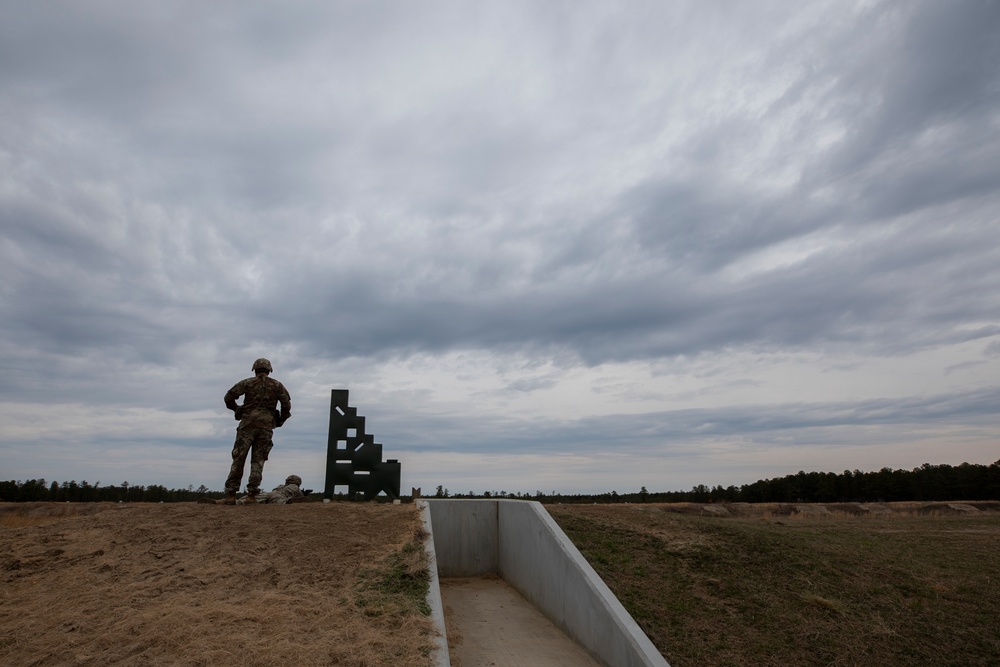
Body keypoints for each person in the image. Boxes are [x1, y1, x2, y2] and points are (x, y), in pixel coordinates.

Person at [222, 358, 291, 504]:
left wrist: (237, 409)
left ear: (254, 369)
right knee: (258, 460)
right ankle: (252, 495)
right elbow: (286, 406)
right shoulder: (277, 385)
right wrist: (279, 421)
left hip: (247, 424)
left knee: (239, 458)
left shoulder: (247, 383)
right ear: (269, 370)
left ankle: (231, 494)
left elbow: (229, 397)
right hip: (266, 427)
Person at [236, 475, 307, 505]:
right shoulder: (294, 486)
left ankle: (238, 502)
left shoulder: (280, 486)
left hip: (268, 493)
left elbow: (274, 491)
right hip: (279, 496)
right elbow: (301, 496)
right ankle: (288, 501)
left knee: (254, 499)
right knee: (281, 502)